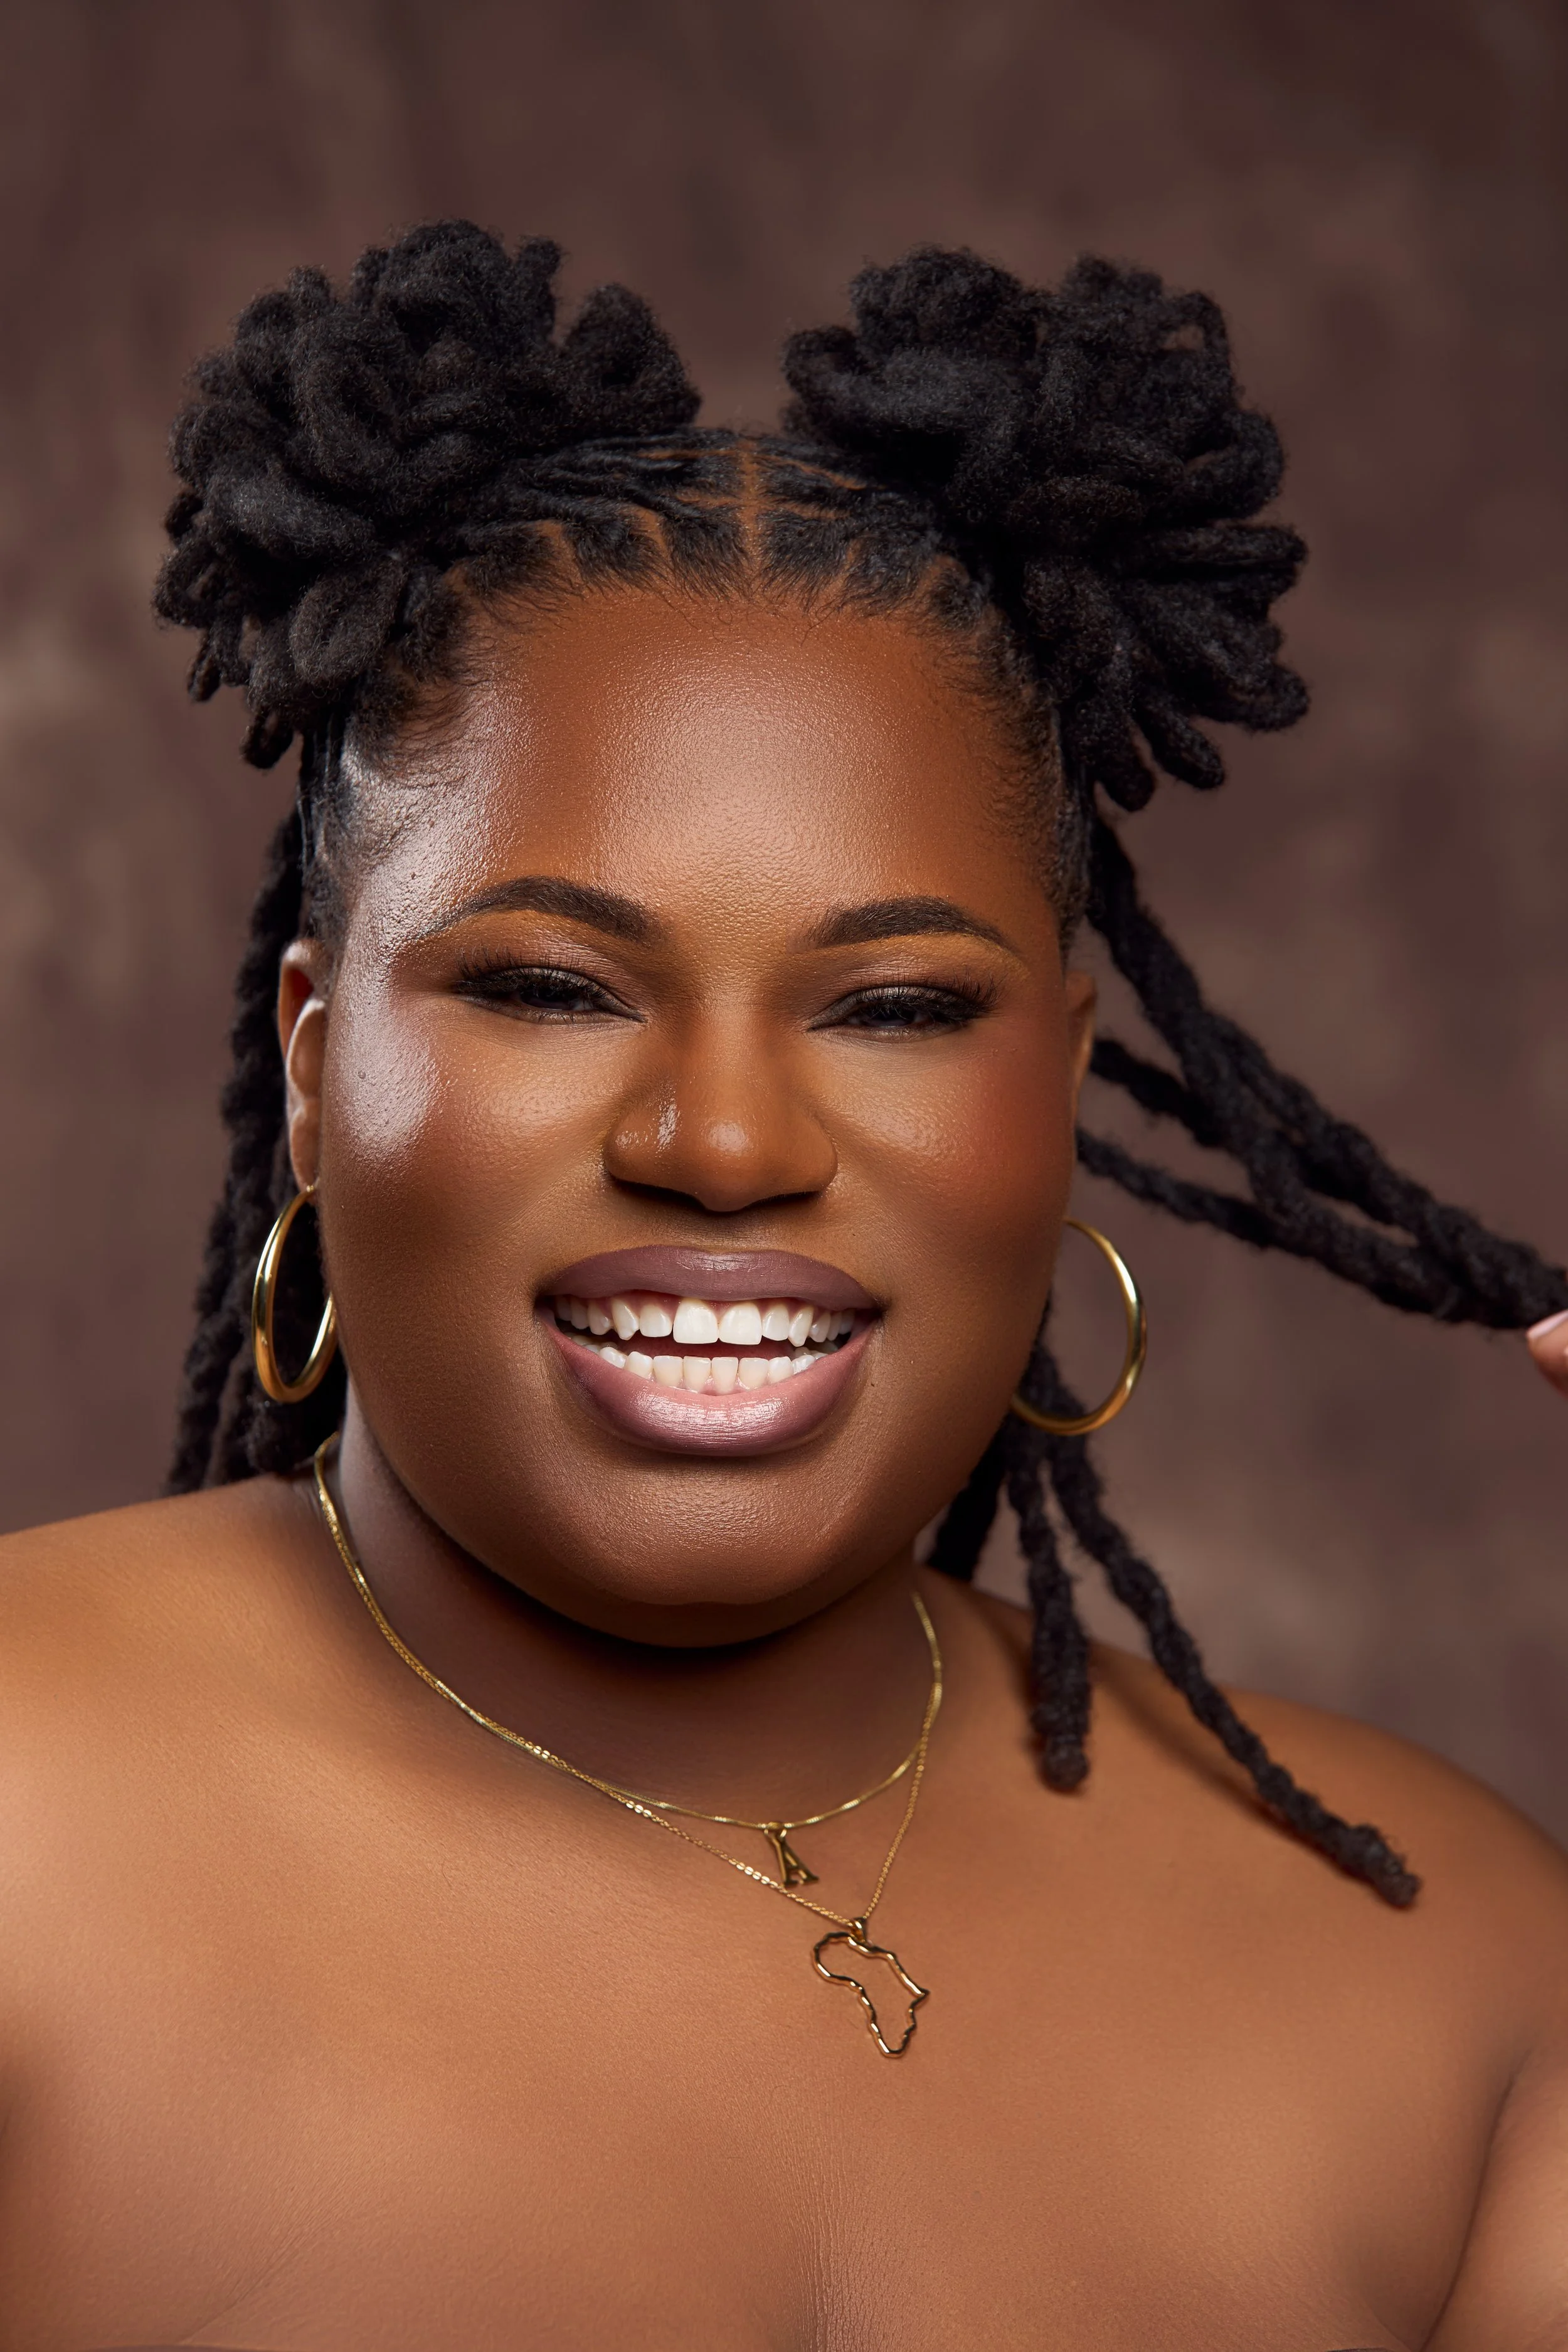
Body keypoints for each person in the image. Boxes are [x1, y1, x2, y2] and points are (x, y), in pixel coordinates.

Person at [0, 223, 1564, 2352]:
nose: (725, 1147)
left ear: (1063, 1084)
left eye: (902, 1006)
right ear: (310, 1059)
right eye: (549, 984)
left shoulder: (1454, 1963)